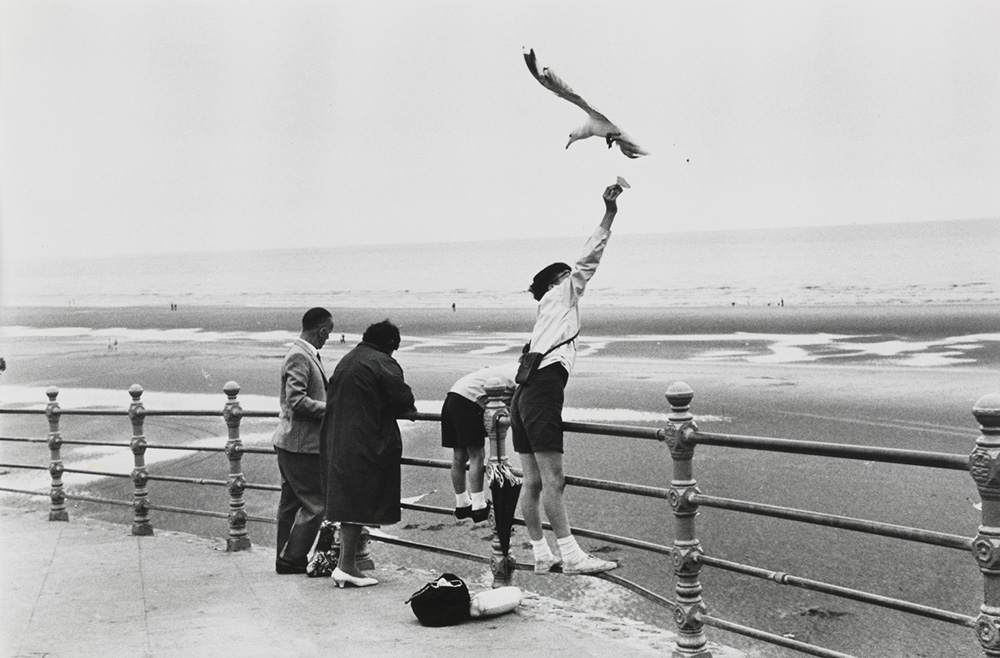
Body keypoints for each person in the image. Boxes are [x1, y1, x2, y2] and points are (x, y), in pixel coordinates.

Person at [509, 182, 624, 576]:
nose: (574, 283)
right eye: (567, 277)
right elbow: (588, 260)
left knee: (532, 481)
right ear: (559, 282)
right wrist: (608, 214)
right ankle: (572, 556)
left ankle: (542, 554)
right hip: (542, 390)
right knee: (553, 479)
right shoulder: (561, 297)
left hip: (522, 394)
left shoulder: (545, 316)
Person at [320, 320, 416, 588]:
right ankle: (346, 566)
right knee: (358, 499)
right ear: (390, 345)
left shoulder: (347, 359)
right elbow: (402, 397)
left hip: (337, 437)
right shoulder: (381, 361)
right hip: (364, 439)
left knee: (349, 499)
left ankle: (345, 565)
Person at [272, 307, 334, 575]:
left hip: (289, 442)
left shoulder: (299, 353)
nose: (328, 339)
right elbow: (296, 400)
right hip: (301, 445)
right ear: (321, 331)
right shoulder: (300, 355)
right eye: (328, 334)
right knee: (316, 503)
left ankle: (284, 556)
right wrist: (331, 409)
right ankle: (291, 558)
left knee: (289, 504)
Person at [441, 363, 518, 522]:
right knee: (477, 455)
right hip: (469, 401)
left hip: (453, 396)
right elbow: (521, 402)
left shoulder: (504, 369)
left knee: (459, 455)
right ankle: (478, 505)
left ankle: (462, 503)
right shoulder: (521, 375)